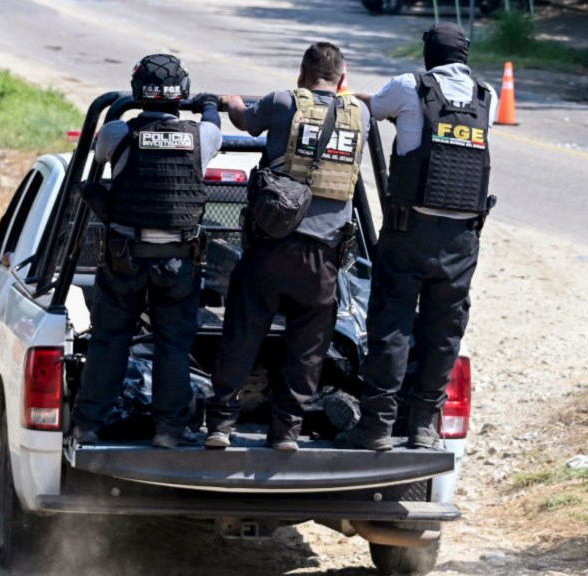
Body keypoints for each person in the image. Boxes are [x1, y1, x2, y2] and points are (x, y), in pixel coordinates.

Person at [338, 23, 498, 451]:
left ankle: (376, 427)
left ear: (430, 54)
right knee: (444, 333)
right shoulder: (488, 97)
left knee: (391, 326)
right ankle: (424, 426)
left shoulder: (410, 86)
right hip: (462, 240)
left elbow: (369, 110)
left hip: (410, 233)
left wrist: (343, 96)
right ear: (464, 57)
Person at [204, 42, 369, 452]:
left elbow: (245, 122)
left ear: (301, 72)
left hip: (271, 250)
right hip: (324, 258)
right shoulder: (360, 114)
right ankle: (286, 433)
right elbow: (367, 104)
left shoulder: (281, 101)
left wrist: (232, 103)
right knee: (308, 349)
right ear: (343, 80)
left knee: (241, 335)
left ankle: (220, 425)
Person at [70, 54, 223, 449]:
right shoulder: (202, 137)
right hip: (177, 261)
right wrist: (207, 104)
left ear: (138, 91)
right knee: (173, 345)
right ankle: (170, 430)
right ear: (182, 93)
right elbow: (214, 123)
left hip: (125, 259)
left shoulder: (117, 132)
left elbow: (101, 161)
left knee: (109, 340)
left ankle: (88, 425)